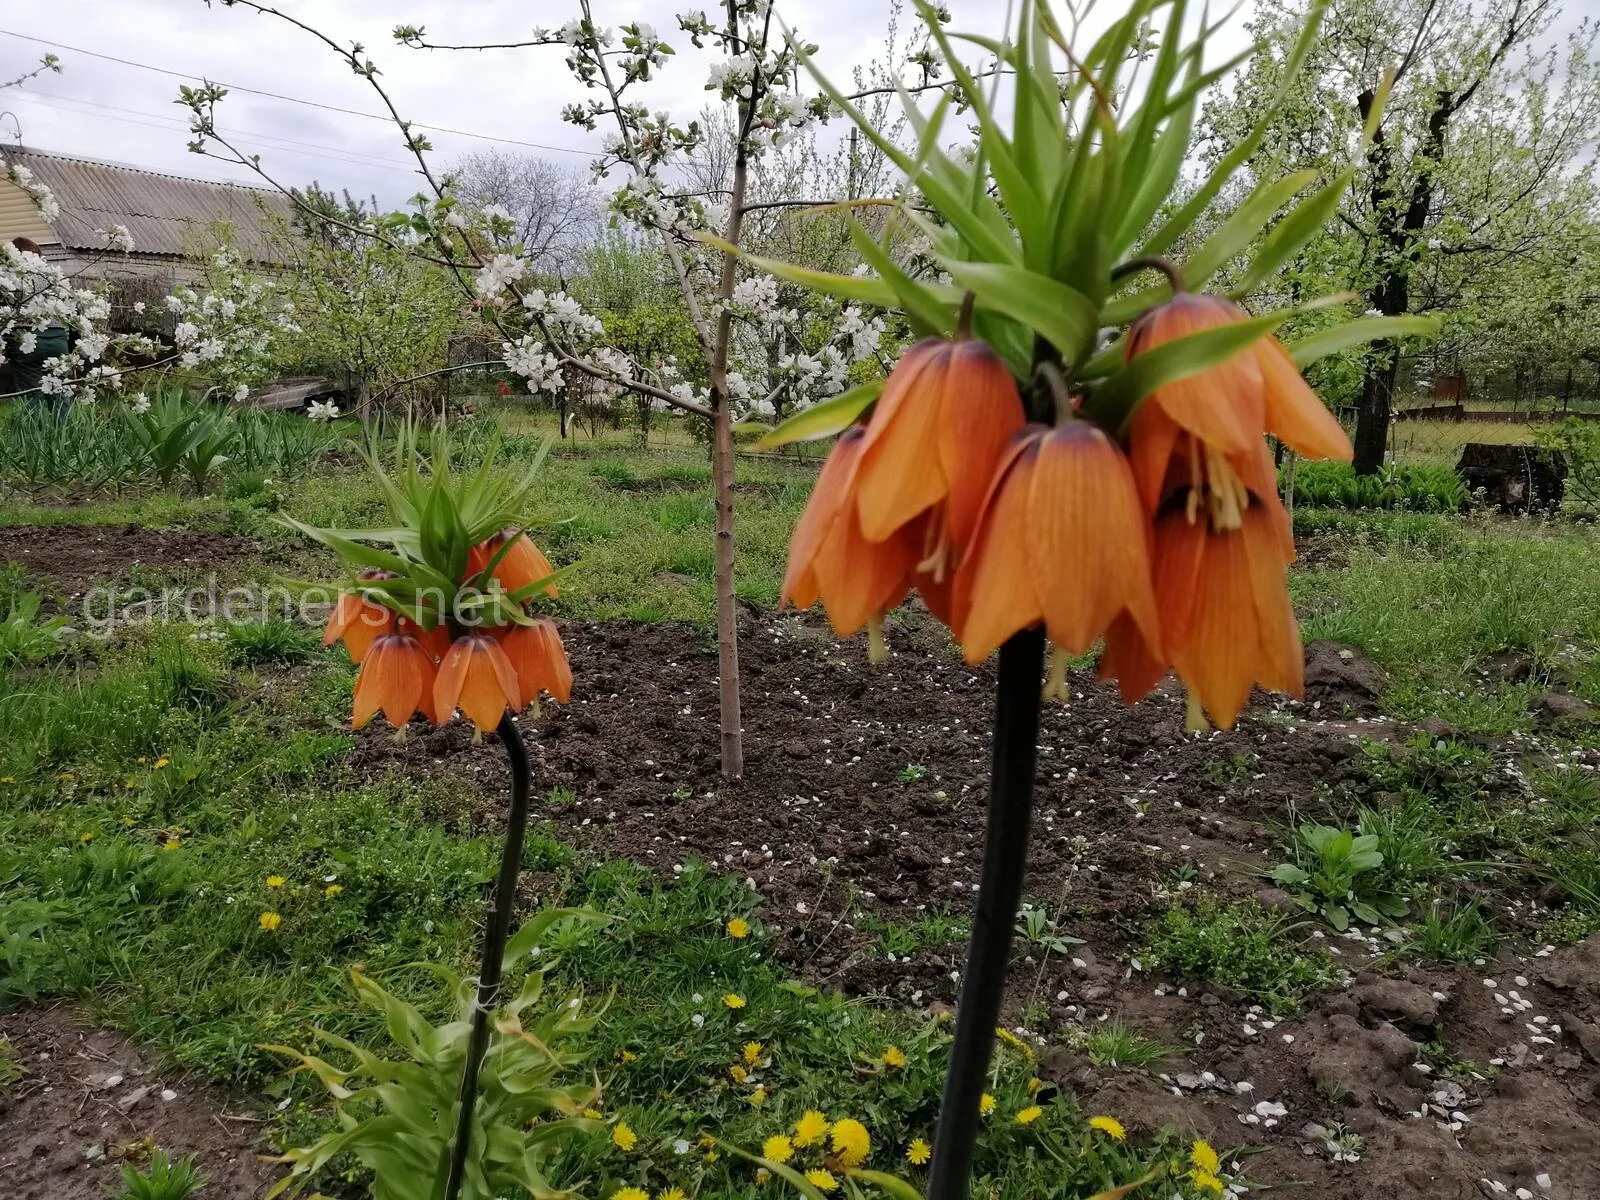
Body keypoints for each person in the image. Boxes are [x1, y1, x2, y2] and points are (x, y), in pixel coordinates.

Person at [3, 236, 71, 403]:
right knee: (59, 393)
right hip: (58, 339)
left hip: (27, 339)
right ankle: (65, 429)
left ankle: (35, 429)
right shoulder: (52, 275)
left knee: (32, 394)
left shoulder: (9, 277)